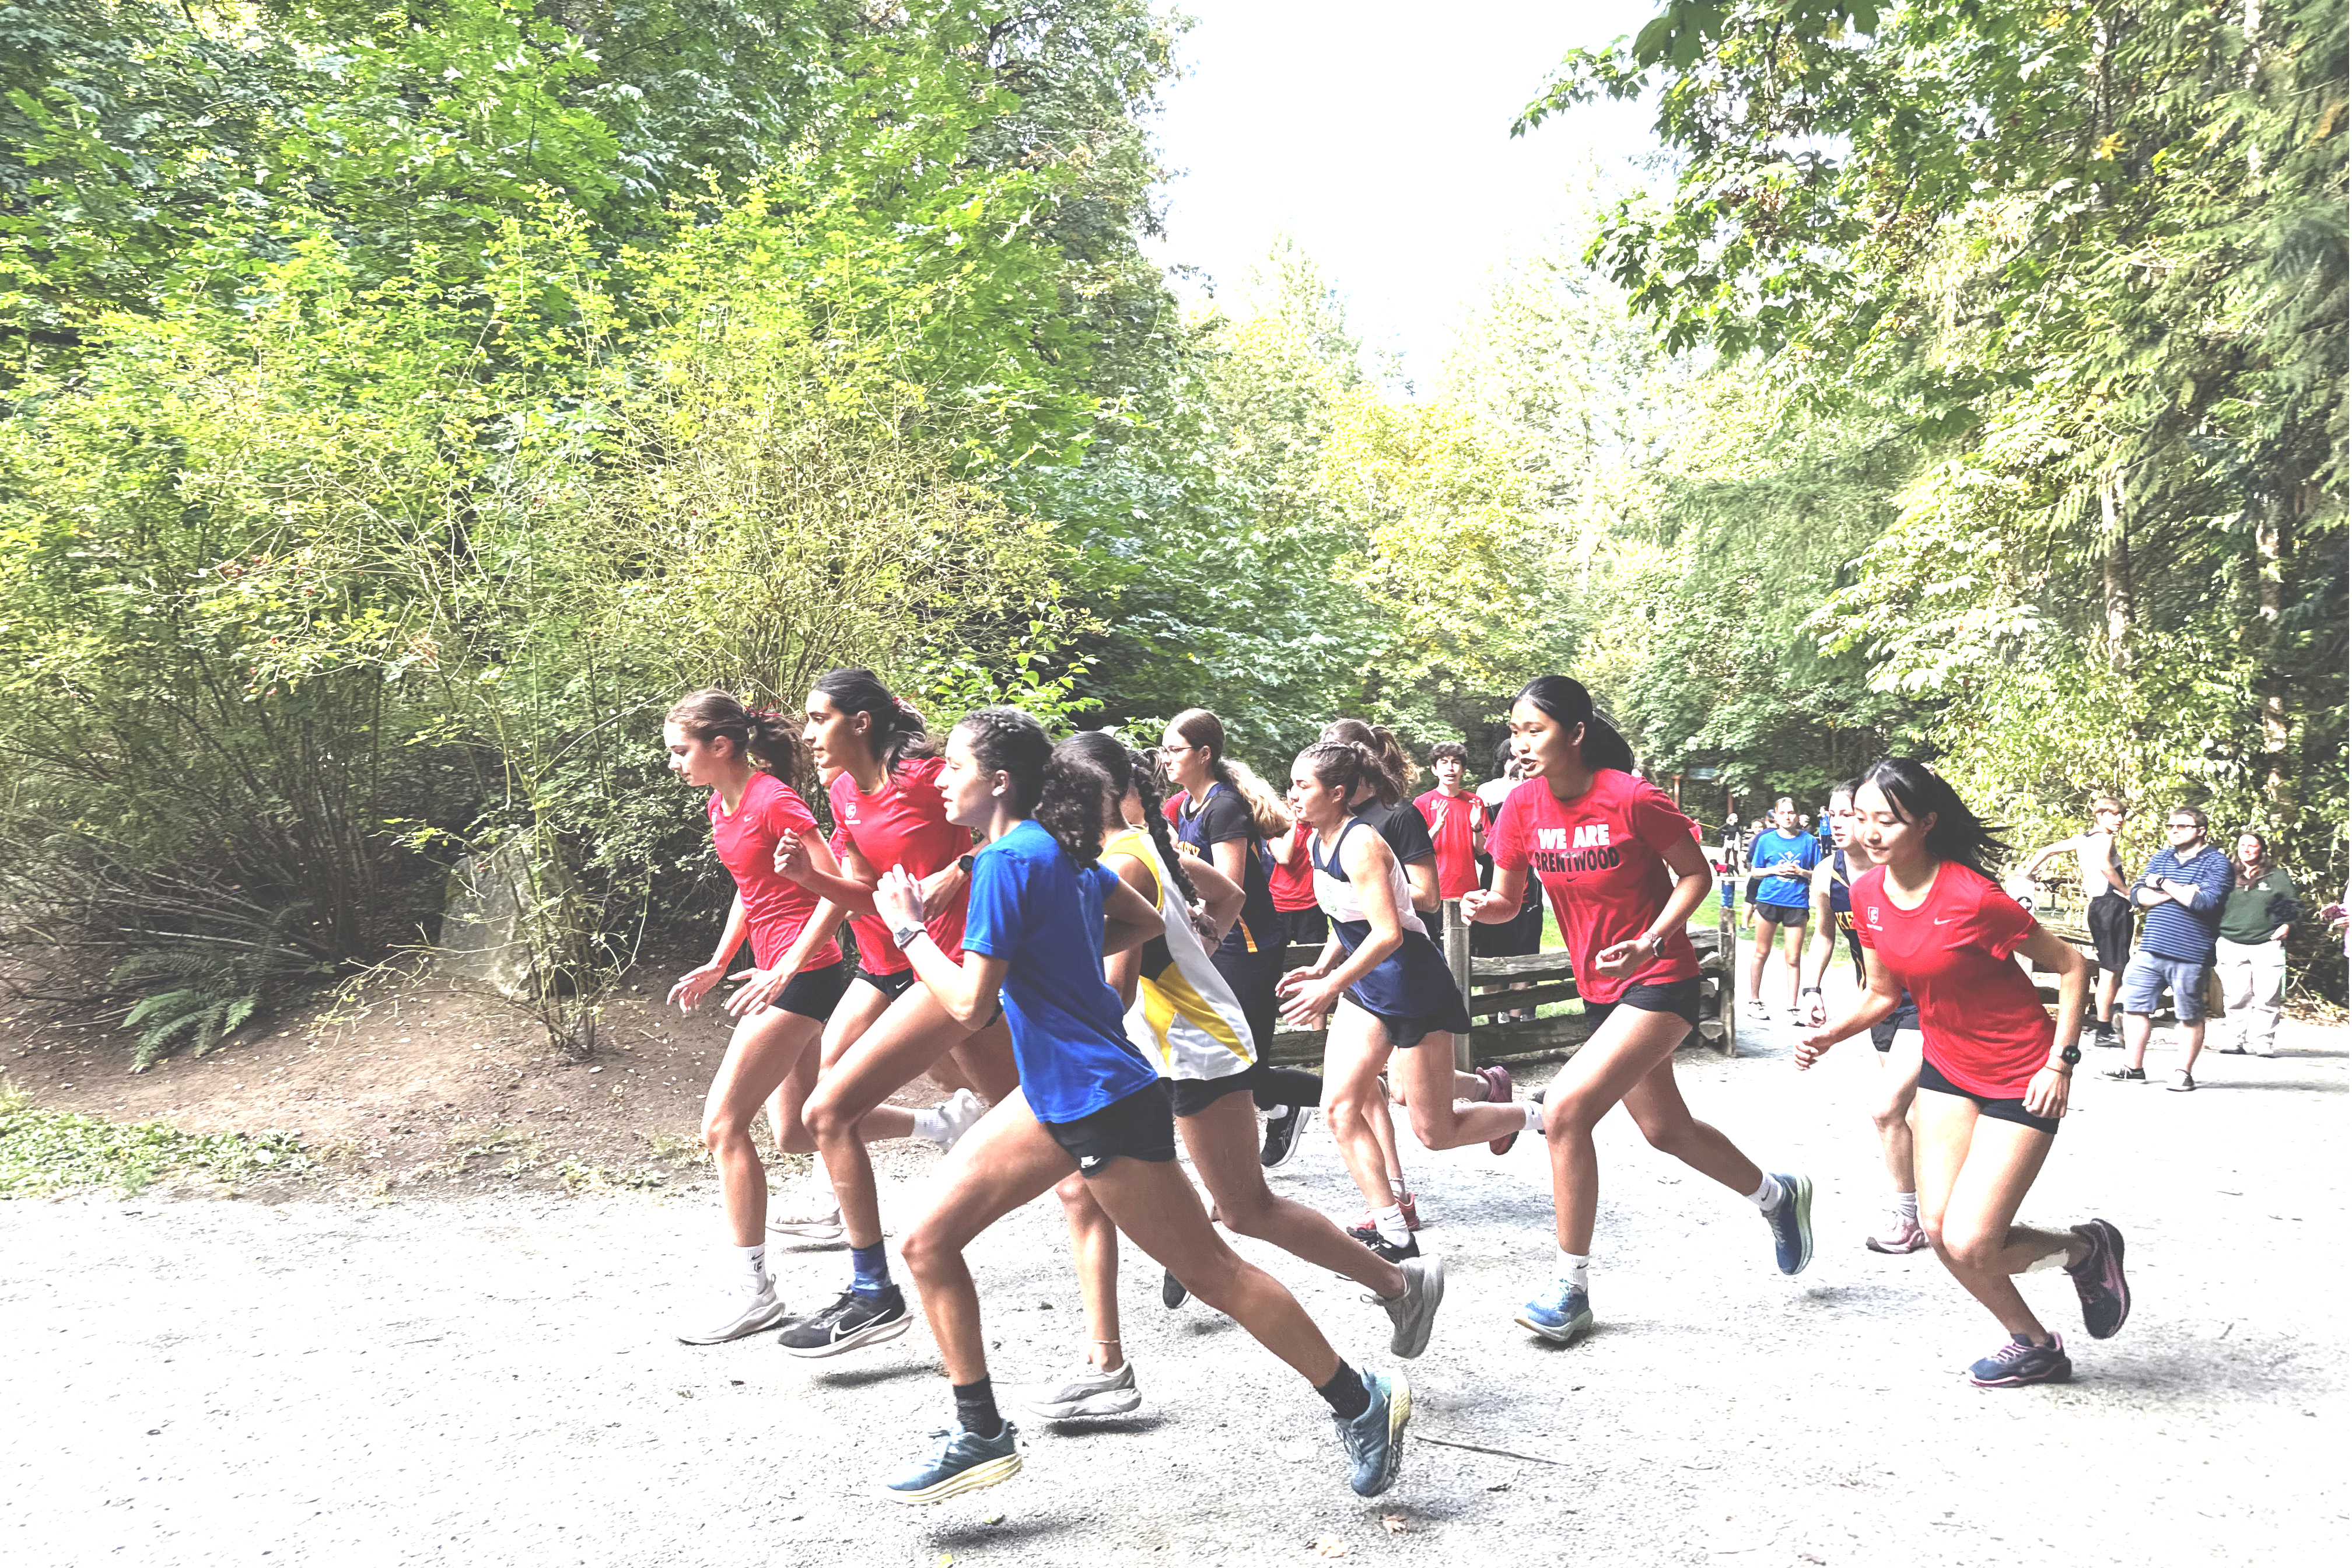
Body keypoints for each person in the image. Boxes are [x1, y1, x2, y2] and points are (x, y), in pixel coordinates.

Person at [876, 708, 1409, 1503]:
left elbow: (966, 1004)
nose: (940, 781)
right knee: (925, 1241)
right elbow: (1139, 919)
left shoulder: (1005, 865)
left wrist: (910, 931)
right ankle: (979, 1428)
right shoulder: (1048, 852)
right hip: (1059, 1093)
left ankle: (1362, 1401)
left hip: (1099, 1101)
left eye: (952, 768)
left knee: (1214, 1268)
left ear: (999, 781)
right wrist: (1058, 958)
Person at [1018, 734, 1445, 1421]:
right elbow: (1224, 890)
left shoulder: (1124, 862)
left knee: (1246, 1210)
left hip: (1192, 1048)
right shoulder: (1137, 847)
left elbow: (1118, 990)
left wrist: (1048, 992)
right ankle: (1105, 1364)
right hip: (1157, 1049)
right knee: (1082, 1191)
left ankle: (1397, 1282)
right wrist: (1203, 935)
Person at [1462, 677, 1812, 1343]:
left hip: (1660, 977)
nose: (1522, 743)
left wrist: (1650, 939)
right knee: (1666, 1129)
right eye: (1515, 731)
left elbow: (1696, 876)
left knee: (1566, 1110)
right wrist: (1490, 907)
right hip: (1601, 989)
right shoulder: (1520, 809)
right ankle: (1777, 1196)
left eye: (1534, 730)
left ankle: (1570, 1286)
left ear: (1575, 734)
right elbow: (1508, 897)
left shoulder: (1632, 798)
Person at [1797, 759, 2129, 1388]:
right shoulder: (1867, 895)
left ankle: (2086, 1250)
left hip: (2020, 1071)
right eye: (1862, 818)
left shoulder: (1973, 897)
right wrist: (1829, 1035)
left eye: (1887, 820)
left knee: (1976, 1239)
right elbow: (1880, 993)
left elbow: (2072, 966)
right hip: (1946, 1069)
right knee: (1941, 1232)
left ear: (1925, 823)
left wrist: (2063, 1062)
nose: (1871, 832)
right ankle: (2034, 1344)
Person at [765, 670, 1016, 1357]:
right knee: (1045, 1117)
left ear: (862, 723)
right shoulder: (846, 793)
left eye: (820, 720)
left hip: (966, 965)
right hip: (911, 965)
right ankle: (1153, 1204)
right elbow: (863, 890)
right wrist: (806, 880)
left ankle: (873, 1291)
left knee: (827, 1111)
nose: (809, 734)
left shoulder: (929, 776)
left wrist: (957, 872)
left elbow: (1019, 825)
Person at [1281, 738, 1530, 1265]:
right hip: (1366, 985)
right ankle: (1394, 1229)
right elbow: (1347, 917)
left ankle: (1535, 1117)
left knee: (1434, 1132)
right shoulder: (1315, 841)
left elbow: (1388, 932)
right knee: (1339, 1108)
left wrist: (1330, 986)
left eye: (1303, 786)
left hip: (1411, 984)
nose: (1293, 795)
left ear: (1338, 792)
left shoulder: (1361, 842)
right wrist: (1325, 966)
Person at [661, 691, 856, 1345]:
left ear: (721, 747)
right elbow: (753, 892)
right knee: (796, 1130)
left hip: (805, 974)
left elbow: (835, 895)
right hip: (781, 969)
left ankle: (752, 1288)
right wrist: (720, 961)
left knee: (721, 1125)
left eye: (681, 751)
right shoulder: (724, 804)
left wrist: (786, 968)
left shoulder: (775, 799)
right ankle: (941, 1122)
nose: (674, 764)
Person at [1160, 709, 1325, 1164]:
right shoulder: (1182, 807)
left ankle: (1350, 1092)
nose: (1166, 758)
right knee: (1223, 1057)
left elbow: (1228, 889)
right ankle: (1282, 1106)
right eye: (1164, 749)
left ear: (1204, 754)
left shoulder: (1224, 806)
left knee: (1239, 1063)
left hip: (1248, 943)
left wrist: (1179, 868)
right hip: (1215, 944)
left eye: (1175, 750)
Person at [1801, 782, 1929, 1254]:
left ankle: (1914, 1214)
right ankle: (1930, 1205)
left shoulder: (1899, 871)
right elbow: (1823, 937)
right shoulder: (1825, 875)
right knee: (1907, 1111)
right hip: (1880, 1002)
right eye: (1832, 815)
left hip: (1925, 1000)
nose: (1838, 823)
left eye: (1848, 814)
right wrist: (1811, 988)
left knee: (1890, 1106)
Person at [2106, 807, 2232, 1091]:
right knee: (2134, 1007)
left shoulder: (2217, 863)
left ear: (2201, 830)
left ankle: (2182, 1073)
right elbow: (2137, 895)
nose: (2174, 830)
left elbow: (2204, 904)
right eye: (2171, 825)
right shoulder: (2162, 857)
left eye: (2182, 826)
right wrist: (2181, 892)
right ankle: (2132, 1068)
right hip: (2151, 947)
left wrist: (2163, 883)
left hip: (2191, 952)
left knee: (2189, 1014)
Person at [2015, 797, 2133, 1046]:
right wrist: (2126, 891)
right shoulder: (2105, 839)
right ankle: (2105, 1029)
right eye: (2113, 814)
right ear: (2099, 816)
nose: (2119, 819)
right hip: (2111, 904)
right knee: (2112, 969)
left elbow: (2045, 851)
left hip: (2098, 908)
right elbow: (2104, 866)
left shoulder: (2083, 839)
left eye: (2122, 814)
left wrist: (2027, 872)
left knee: (2115, 966)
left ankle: (2117, 1017)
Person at [1475, 747, 1547, 1022]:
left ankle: (1519, 1016)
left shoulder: (1543, 802)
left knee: (1527, 950)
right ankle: (1494, 1017)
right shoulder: (1490, 797)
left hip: (1531, 892)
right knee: (1493, 951)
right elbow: (1483, 851)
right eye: (1512, 760)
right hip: (1495, 884)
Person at [2213, 831, 2295, 1058]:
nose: (2246, 849)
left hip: (2267, 942)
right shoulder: (2226, 874)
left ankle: (2263, 1042)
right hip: (2230, 940)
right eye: (2242, 845)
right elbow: (2211, 901)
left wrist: (2286, 924)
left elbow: (2291, 903)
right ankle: (2234, 1039)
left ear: (2262, 849)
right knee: (2236, 995)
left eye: (2252, 845)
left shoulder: (2276, 876)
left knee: (2268, 995)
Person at [1742, 798, 1823, 1023]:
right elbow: (1755, 871)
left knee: (1794, 957)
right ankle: (1755, 1001)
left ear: (1797, 816)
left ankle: (1792, 1007)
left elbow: (1818, 873)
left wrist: (1801, 872)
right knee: (1761, 952)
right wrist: (1773, 869)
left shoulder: (1809, 841)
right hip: (1768, 900)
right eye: (1783, 813)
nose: (1788, 816)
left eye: (1791, 813)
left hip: (1796, 903)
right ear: (1776, 816)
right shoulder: (1766, 840)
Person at [1414, 742, 1488, 903]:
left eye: (1456, 762)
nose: (1450, 768)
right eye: (1444, 762)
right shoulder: (1422, 803)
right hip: (1433, 890)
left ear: (1463, 769)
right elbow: (1417, 850)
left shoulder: (1475, 802)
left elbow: (1482, 851)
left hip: (1468, 892)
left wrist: (1476, 827)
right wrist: (1437, 827)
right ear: (1435, 770)